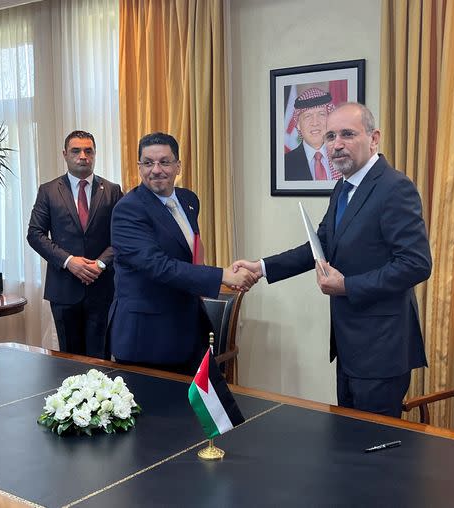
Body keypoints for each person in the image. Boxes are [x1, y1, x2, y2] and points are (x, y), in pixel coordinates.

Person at [235, 103, 432, 417]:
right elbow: (321, 243)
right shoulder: (343, 187)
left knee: (374, 451)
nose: (336, 144)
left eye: (347, 134)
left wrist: (347, 285)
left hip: (382, 349)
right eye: (330, 136)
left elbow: (416, 264)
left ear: (374, 138)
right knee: (349, 444)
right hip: (349, 344)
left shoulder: (395, 188)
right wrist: (261, 267)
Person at [108, 132, 257, 375]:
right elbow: (157, 265)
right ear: (139, 167)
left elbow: (191, 252)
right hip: (147, 337)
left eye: (164, 162)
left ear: (178, 166)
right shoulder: (128, 209)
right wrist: (222, 276)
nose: (156, 170)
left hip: (187, 329)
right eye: (148, 163)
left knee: (193, 411)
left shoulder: (188, 200)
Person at [27, 130, 123, 359]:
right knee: (69, 362)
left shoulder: (112, 191)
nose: (83, 156)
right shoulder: (48, 191)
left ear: (95, 154)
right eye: (76, 151)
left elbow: (122, 236)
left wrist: (100, 264)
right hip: (64, 290)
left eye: (88, 151)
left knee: (102, 359)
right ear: (65, 154)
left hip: (103, 290)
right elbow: (35, 234)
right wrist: (69, 262)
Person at [284, 87, 338, 181]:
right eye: (307, 116)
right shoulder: (285, 164)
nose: (315, 122)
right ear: (298, 125)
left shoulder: (344, 158)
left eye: (321, 114)